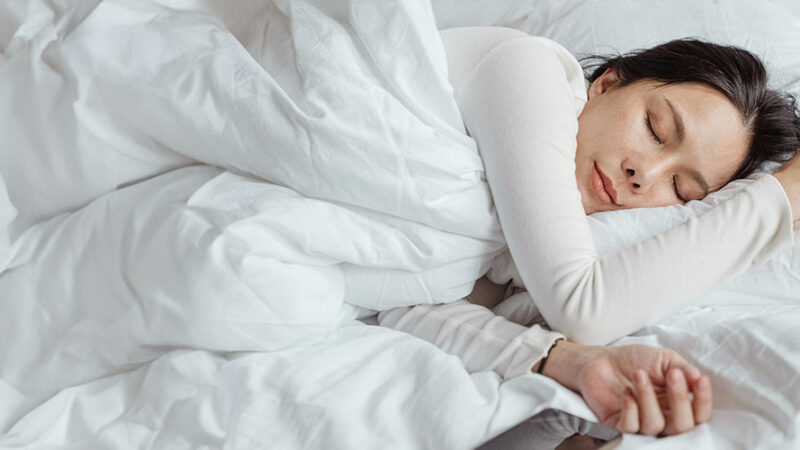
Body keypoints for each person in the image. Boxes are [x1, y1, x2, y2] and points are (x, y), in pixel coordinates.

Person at [377, 26, 800, 443]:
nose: (644, 174)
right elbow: (583, 308)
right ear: (608, 83)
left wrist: (572, 363)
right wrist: (785, 194)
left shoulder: (506, 241)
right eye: (654, 128)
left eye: (679, 189)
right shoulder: (525, 68)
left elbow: (400, 307)